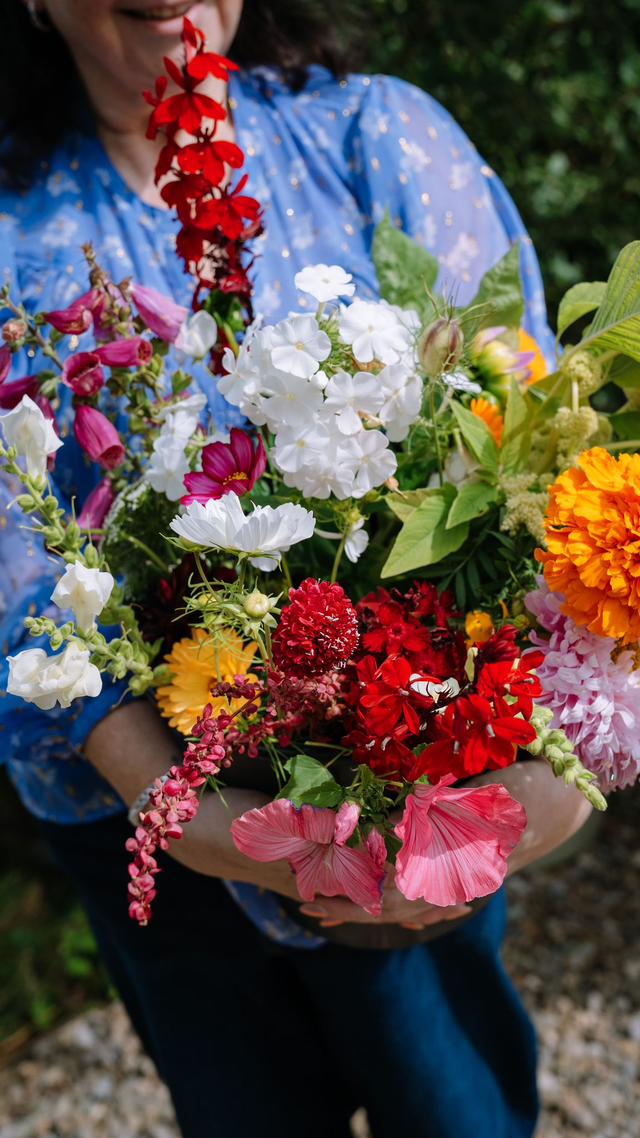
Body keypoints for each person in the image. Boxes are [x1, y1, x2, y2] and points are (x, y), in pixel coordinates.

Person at [0, 2, 590, 1136]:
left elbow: (535, 463)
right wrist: (190, 814)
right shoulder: (16, 234)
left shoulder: (375, 139)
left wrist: (543, 789)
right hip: (146, 809)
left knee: (457, 1116)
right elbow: (22, 571)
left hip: (414, 781)